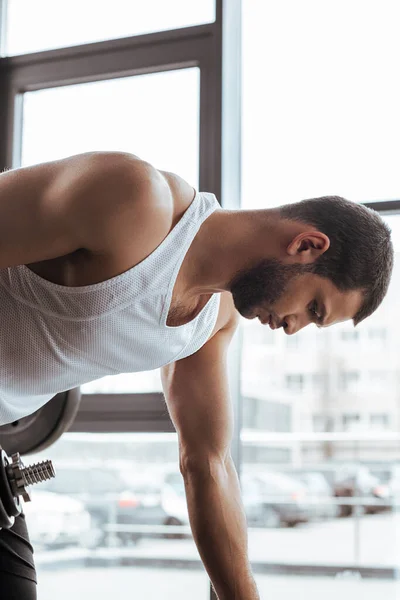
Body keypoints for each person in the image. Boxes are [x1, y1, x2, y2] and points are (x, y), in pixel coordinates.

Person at [0, 151, 394, 599]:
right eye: (313, 308)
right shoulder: (133, 199)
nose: (293, 327)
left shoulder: (213, 320)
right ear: (306, 245)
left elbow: (207, 463)